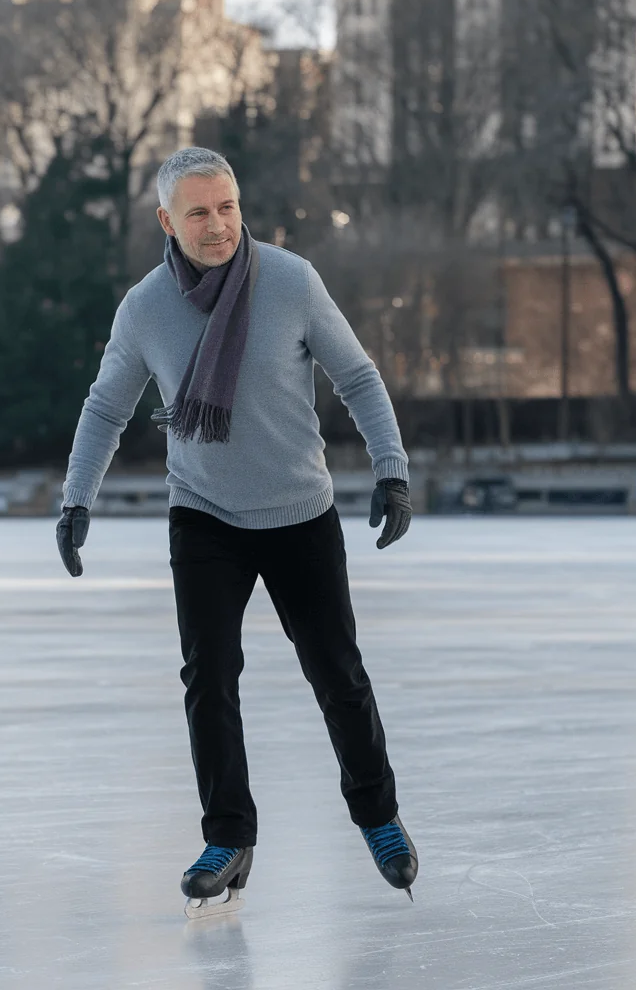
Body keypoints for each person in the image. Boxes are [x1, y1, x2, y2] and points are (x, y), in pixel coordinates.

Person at [57, 147, 417, 917]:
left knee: (338, 675)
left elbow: (358, 376)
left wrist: (391, 471)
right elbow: (106, 407)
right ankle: (228, 838)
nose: (218, 225)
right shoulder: (145, 308)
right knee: (209, 678)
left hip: (299, 512)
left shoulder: (291, 281)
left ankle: (379, 816)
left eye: (227, 207)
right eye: (199, 212)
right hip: (204, 516)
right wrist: (75, 500)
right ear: (167, 221)